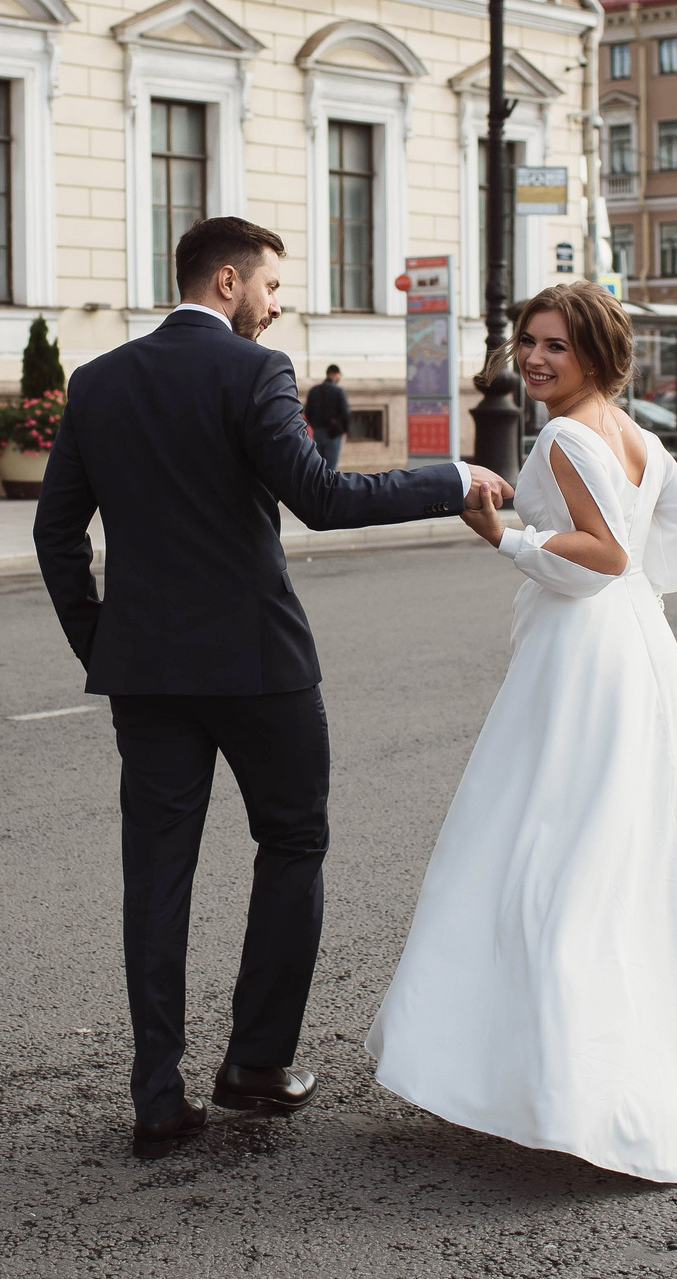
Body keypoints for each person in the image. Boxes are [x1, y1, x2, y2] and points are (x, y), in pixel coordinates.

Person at [33, 216, 514, 1162]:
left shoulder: (98, 382)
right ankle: (256, 1063)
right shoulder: (256, 372)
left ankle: (158, 1097)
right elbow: (323, 500)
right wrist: (452, 477)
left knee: (155, 873)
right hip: (260, 666)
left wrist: (106, 641)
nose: (278, 301)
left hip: (148, 674)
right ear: (226, 281)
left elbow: (56, 534)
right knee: (293, 839)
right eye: (271, 285)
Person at [369, 281, 677, 1184]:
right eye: (527, 341)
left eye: (554, 345)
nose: (532, 358)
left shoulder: (562, 435)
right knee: (624, 842)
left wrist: (505, 539)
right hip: (639, 650)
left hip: (581, 655)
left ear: (595, 352)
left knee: (539, 841)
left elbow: (606, 554)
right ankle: (597, 1065)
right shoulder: (633, 432)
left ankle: (550, 1079)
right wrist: (643, 593)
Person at [304, 364, 350, 471]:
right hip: (334, 433)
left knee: (319, 467)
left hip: (318, 432)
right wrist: (345, 429)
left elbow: (308, 412)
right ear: (335, 374)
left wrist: (315, 426)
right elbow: (345, 413)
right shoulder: (339, 391)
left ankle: (319, 487)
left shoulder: (314, 391)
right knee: (331, 468)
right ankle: (329, 488)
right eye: (339, 375)